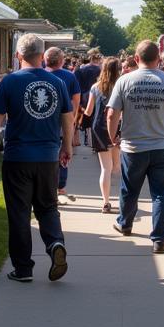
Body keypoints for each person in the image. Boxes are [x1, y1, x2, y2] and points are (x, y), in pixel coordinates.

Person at [0, 33, 73, 282]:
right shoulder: (58, 83)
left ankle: (23, 268)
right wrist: (67, 146)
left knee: (19, 213)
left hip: (18, 157)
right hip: (47, 156)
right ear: (42, 56)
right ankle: (55, 243)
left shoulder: (10, 81)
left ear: (17, 55)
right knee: (48, 207)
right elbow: (67, 117)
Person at [107, 40, 164, 253]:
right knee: (161, 194)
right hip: (163, 146)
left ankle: (125, 223)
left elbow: (111, 114)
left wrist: (112, 137)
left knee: (129, 188)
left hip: (133, 147)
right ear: (159, 59)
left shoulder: (125, 81)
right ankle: (159, 239)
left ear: (136, 59)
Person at [82, 56, 122, 211]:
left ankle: (105, 202)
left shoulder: (95, 87)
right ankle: (122, 197)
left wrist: (81, 114)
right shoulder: (120, 86)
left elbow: (89, 110)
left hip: (99, 127)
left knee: (105, 167)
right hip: (117, 127)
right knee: (117, 166)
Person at [44, 47, 80, 203]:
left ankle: (47, 187)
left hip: (44, 122)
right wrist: (73, 120)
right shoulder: (69, 77)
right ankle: (60, 187)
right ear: (61, 61)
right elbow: (76, 100)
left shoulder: (41, 74)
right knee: (64, 153)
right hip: (64, 122)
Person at [75, 49, 103, 146]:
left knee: (86, 119)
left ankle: (89, 140)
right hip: (99, 97)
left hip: (84, 97)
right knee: (97, 118)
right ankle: (95, 140)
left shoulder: (80, 70)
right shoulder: (101, 71)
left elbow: (77, 86)